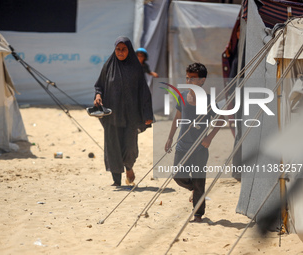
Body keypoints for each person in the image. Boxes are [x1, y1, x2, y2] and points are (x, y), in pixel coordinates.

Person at [164, 63, 222, 222]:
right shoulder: (182, 97)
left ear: (202, 81)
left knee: (199, 181)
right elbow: (177, 118)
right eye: (187, 78)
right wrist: (170, 138)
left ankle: (198, 214)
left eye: (193, 79)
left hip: (200, 149)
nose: (189, 81)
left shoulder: (209, 100)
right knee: (177, 175)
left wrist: (209, 138)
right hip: (182, 145)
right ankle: (194, 190)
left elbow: (220, 120)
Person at [94, 36, 153, 186]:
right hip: (112, 114)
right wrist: (98, 96)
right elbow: (99, 85)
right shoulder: (108, 66)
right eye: (118, 49)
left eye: (123, 49)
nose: (120, 52)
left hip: (131, 115)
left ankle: (129, 167)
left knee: (130, 146)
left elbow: (144, 92)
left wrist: (147, 114)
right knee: (112, 145)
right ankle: (116, 181)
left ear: (129, 50)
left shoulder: (136, 68)